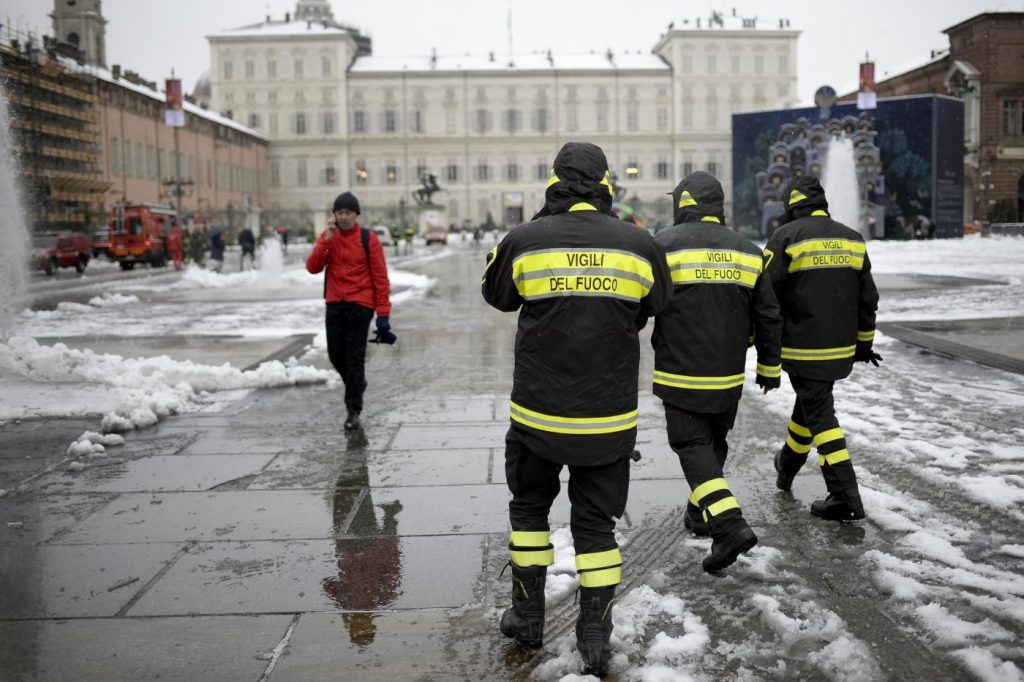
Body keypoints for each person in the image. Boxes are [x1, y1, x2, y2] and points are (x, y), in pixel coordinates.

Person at [482, 142, 672, 677]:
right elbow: (659, 304)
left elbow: (497, 295)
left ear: (555, 181)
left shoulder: (524, 239)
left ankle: (527, 617)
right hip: (607, 417)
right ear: (607, 182)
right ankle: (594, 630)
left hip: (538, 414)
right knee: (596, 528)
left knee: (528, 512)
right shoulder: (639, 243)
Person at [652, 171, 783, 572]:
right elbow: (769, 314)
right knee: (713, 443)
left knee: (691, 445)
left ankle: (729, 526)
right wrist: (769, 366)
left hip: (680, 371)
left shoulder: (664, 246)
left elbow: (642, 303)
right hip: (728, 375)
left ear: (684, 203)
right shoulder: (747, 250)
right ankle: (699, 513)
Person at [764, 176, 881, 522]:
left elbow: (764, 294)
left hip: (801, 349)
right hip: (840, 349)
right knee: (811, 406)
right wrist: (863, 343)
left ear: (791, 206)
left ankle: (846, 494)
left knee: (821, 415)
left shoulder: (785, 237)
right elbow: (868, 298)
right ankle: (787, 465)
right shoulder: (853, 239)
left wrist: (761, 342)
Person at [306, 191, 395, 431]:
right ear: (334, 215)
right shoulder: (328, 237)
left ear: (356, 215)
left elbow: (380, 278)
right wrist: (326, 238)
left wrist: (383, 315)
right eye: (339, 212)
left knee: (355, 358)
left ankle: (353, 410)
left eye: (348, 212)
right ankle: (357, 385)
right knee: (336, 354)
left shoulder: (369, 239)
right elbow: (313, 267)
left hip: (361, 305)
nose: (344, 217)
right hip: (335, 303)